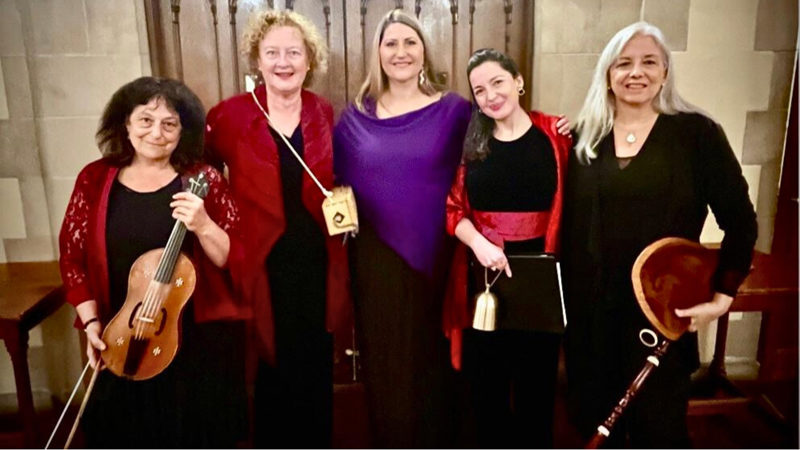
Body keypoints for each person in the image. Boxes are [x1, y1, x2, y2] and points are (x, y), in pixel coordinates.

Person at [561, 21, 758, 448]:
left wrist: (722, 296)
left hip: (660, 313)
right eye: (624, 63)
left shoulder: (697, 134)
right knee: (594, 423)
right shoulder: (583, 138)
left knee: (659, 431)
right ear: (607, 75)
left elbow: (741, 220)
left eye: (649, 62)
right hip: (592, 319)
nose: (636, 73)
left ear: (665, 72)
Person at [58, 76, 249, 448]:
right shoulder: (94, 179)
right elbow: (72, 257)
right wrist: (92, 322)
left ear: (183, 131)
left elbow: (233, 257)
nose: (157, 133)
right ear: (125, 124)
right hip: (123, 330)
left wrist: (204, 224)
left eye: (169, 123)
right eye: (145, 120)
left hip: (196, 342)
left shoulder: (203, 179)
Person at [204, 9, 349, 448]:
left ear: (309, 60)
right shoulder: (229, 116)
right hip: (261, 261)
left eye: (293, 52)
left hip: (318, 259)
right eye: (273, 53)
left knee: (315, 361)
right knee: (269, 363)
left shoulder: (323, 111)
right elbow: (204, 174)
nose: (283, 62)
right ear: (257, 60)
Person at [333, 8, 471, 448]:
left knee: (432, 361)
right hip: (375, 258)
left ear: (424, 51)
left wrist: (555, 128)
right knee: (386, 364)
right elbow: (332, 180)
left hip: (438, 257)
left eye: (410, 42)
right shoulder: (353, 118)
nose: (401, 52)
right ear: (377, 53)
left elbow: (502, 137)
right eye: (391, 43)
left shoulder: (454, 111)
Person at [444, 48, 571, 448]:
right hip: (485, 280)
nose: (490, 95)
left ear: (518, 82)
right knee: (487, 388)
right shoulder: (471, 144)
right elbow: (451, 210)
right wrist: (479, 243)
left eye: (497, 82)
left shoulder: (555, 135)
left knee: (537, 388)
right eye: (479, 90)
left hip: (539, 281)